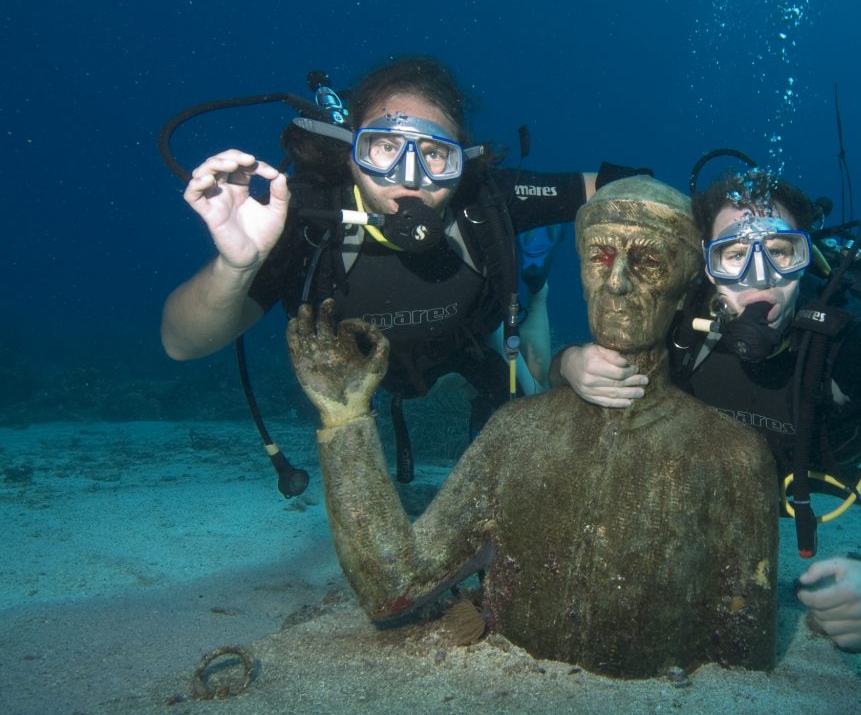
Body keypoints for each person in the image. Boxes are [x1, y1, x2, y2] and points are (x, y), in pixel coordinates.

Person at [285, 177, 779, 677]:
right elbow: (393, 586)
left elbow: (745, 648)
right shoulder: (515, 433)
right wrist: (344, 418)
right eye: (600, 258)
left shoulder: (732, 456)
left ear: (687, 284)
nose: (617, 283)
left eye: (648, 261)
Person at [556, 169, 861, 651]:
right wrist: (569, 362)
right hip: (723, 476)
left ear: (804, 258)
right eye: (734, 256)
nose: (760, 279)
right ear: (707, 268)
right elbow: (602, 367)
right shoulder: (682, 321)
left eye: (779, 253)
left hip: (826, 465)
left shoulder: (852, 346)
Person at [161, 57, 643, 464]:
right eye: (386, 148)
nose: (409, 178)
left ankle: (535, 291)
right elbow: (181, 344)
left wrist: (712, 228)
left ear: (463, 163)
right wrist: (237, 266)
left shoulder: (486, 197)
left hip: (471, 344)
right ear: (349, 152)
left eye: (435, 155)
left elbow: (626, 187)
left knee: (529, 392)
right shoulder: (308, 222)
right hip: (356, 373)